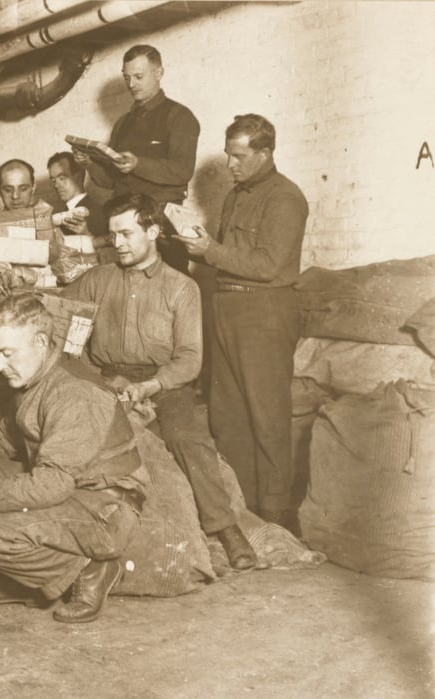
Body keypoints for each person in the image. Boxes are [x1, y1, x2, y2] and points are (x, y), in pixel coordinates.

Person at [0, 293, 146, 624]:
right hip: (67, 485)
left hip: (103, 505)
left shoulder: (74, 393)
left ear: (40, 341)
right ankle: (25, 578)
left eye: (7, 354)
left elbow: (54, 483)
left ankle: (91, 571)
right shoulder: (37, 377)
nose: (0, 367)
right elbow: (5, 439)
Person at [61, 192, 256, 569]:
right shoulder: (96, 279)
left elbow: (189, 359)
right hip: (105, 379)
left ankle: (226, 528)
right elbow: (60, 313)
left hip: (164, 385)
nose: (117, 243)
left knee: (189, 440)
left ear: (152, 231)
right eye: (112, 235)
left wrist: (150, 387)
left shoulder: (182, 288)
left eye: (126, 234)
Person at [174, 114, 308, 530]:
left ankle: (276, 515)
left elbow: (269, 264)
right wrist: (190, 243)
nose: (231, 163)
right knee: (227, 415)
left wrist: (209, 249)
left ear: (264, 153)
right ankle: (244, 508)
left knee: (267, 418)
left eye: (239, 155)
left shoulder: (286, 198)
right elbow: (228, 254)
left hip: (264, 314)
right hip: (227, 309)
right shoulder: (235, 196)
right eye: (229, 154)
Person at [72, 45, 200, 274]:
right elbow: (108, 182)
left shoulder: (179, 117)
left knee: (169, 289)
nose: (131, 85)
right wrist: (88, 163)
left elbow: (183, 170)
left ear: (159, 73)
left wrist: (137, 164)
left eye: (139, 77)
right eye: (127, 77)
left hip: (161, 225)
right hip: (125, 227)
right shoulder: (123, 124)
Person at [47, 151, 114, 264]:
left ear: (78, 176)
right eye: (53, 180)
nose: (56, 185)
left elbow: (108, 258)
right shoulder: (58, 214)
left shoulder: (99, 212)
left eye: (62, 178)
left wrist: (86, 236)